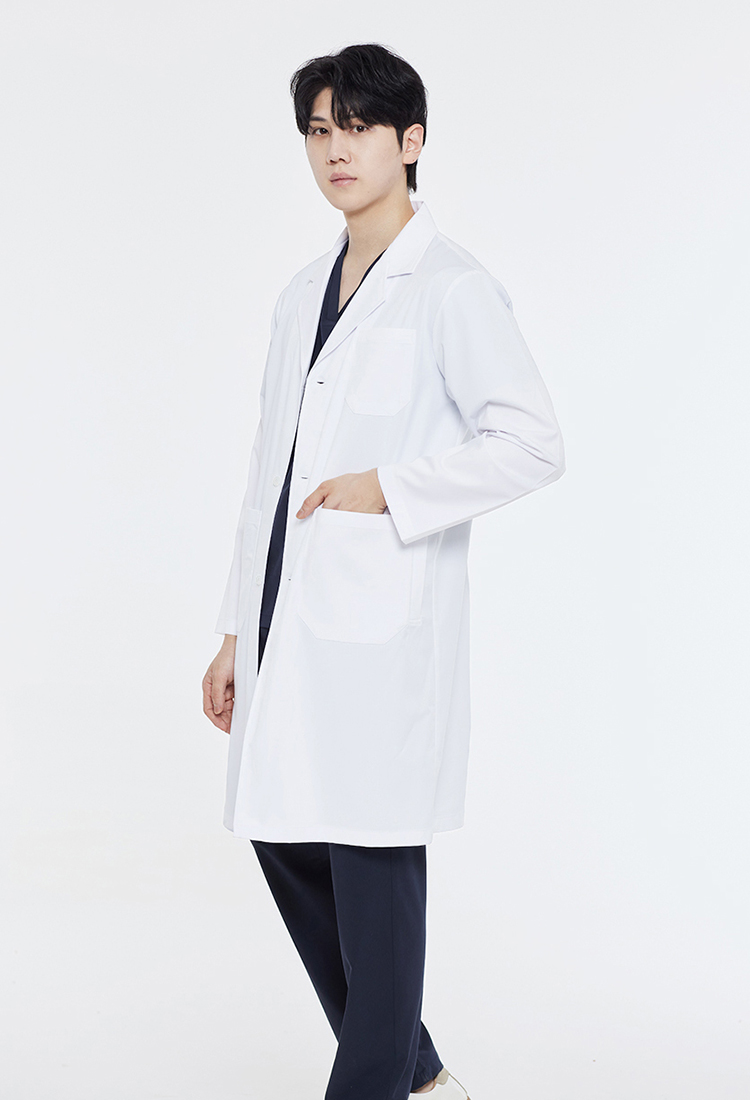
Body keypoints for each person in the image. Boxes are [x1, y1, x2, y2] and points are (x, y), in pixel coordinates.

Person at [202, 42, 565, 1100]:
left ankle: (372, 1083)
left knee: (372, 857)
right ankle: (418, 1070)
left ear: (411, 141)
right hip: (287, 608)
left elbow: (533, 443)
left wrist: (393, 488)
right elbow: (267, 474)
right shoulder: (298, 295)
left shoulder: (451, 289)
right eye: (320, 130)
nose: (336, 149)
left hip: (381, 625)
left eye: (358, 127)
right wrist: (234, 628)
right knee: (277, 827)